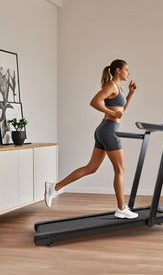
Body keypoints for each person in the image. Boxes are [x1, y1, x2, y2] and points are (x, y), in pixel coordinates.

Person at [44, 59, 139, 219]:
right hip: (109, 130)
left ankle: (54, 187)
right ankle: (121, 208)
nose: (128, 73)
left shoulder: (119, 88)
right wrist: (113, 113)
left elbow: (121, 110)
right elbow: (94, 102)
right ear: (117, 70)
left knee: (91, 167)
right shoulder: (111, 86)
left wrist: (130, 93)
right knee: (120, 170)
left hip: (105, 129)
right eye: (126, 70)